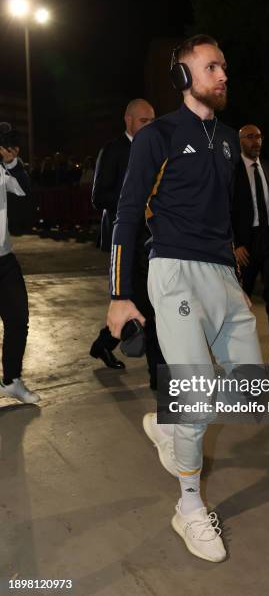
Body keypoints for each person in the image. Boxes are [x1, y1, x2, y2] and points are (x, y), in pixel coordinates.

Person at [106, 35, 263, 562]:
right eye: (212, 66)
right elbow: (128, 213)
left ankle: (166, 423)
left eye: (225, 65)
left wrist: (232, 278)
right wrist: (119, 295)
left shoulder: (224, 139)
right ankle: (189, 508)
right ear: (182, 77)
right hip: (171, 271)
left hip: (219, 273)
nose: (223, 75)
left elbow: (222, 214)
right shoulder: (161, 135)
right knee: (197, 395)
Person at [90, 99, 164, 390]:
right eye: (145, 121)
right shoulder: (112, 151)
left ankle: (102, 343)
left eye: (153, 120)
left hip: (153, 241)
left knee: (145, 305)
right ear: (128, 120)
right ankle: (159, 378)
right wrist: (132, 203)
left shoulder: (158, 150)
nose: (151, 126)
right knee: (148, 309)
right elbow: (98, 197)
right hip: (124, 245)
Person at [232, 124, 269, 364]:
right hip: (245, 245)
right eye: (250, 137)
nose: (256, 141)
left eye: (259, 137)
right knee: (239, 304)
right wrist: (234, 243)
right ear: (240, 141)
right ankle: (242, 360)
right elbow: (225, 208)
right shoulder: (232, 170)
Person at [0, 124, 40, 404]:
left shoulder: (3, 168)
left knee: (18, 318)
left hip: (4, 258)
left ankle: (11, 380)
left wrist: (12, 162)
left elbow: (25, 192)